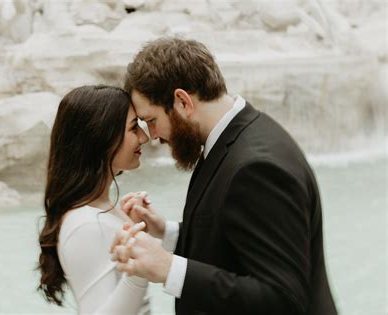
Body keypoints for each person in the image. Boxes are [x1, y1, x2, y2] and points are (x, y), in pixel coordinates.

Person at [110, 38, 337, 314]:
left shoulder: (257, 168)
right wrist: (165, 231)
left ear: (182, 102)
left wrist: (168, 268)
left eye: (153, 121)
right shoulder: (234, 137)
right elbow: (231, 246)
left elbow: (282, 300)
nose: (152, 137)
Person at [37, 85, 152, 314]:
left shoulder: (101, 211)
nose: (144, 136)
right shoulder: (86, 225)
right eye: (133, 127)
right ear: (103, 138)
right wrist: (137, 273)